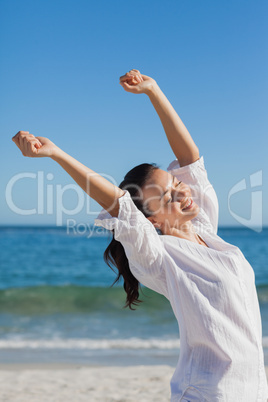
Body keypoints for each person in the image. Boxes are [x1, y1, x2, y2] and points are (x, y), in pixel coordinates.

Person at [12, 69, 268, 402]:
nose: (181, 192)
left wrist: (154, 91)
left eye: (176, 184)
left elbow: (191, 159)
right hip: (208, 394)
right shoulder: (157, 256)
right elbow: (119, 204)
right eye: (165, 197)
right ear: (151, 219)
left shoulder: (207, 231)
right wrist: (56, 153)